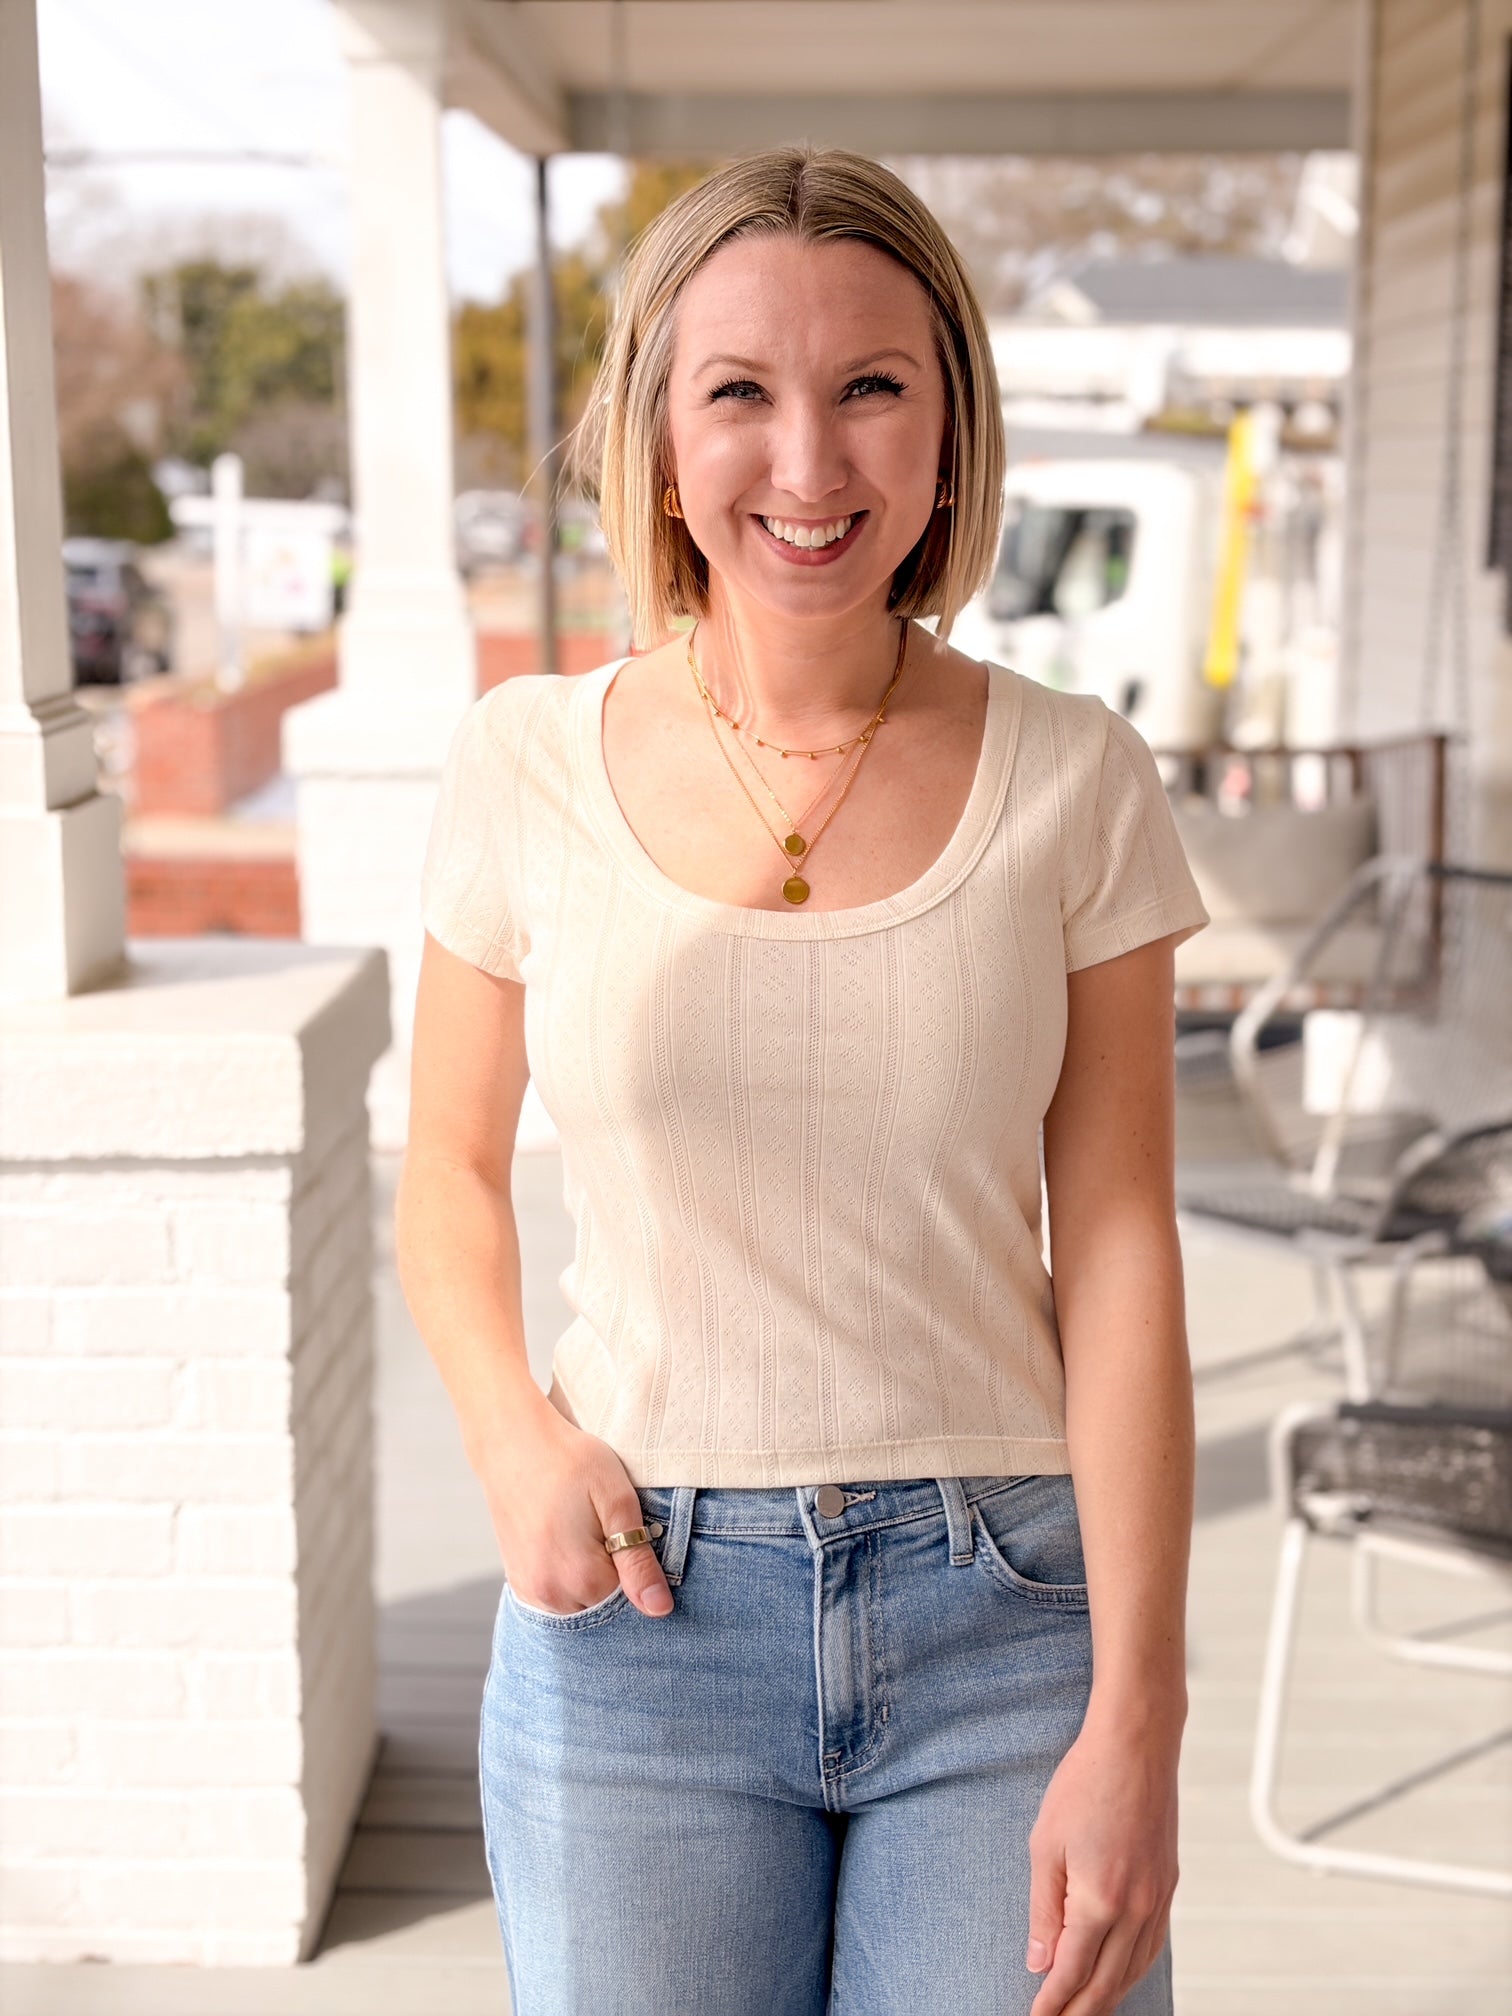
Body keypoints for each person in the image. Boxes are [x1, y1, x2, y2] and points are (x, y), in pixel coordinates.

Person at [398, 145, 1210, 2016]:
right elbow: (445, 1167)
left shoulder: (1077, 777)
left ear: (948, 430)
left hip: (1008, 1617)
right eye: (739, 393)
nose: (811, 464)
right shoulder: (526, 762)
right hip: (638, 1613)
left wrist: (1140, 1714)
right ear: (662, 442)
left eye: (872, 388)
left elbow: (1123, 1244)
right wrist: (514, 1439)